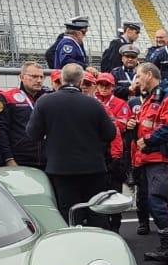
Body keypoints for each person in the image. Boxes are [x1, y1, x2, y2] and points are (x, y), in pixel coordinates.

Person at [25, 64, 116, 226]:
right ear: (81, 81)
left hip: (60, 169)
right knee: (96, 211)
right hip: (92, 168)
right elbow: (110, 134)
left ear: (61, 79)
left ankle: (72, 240)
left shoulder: (45, 102)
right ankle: (100, 240)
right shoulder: (93, 104)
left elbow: (33, 134)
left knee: (69, 213)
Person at [129, 62, 168, 265]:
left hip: (161, 158)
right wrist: (133, 126)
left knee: (156, 200)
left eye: (138, 76)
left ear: (149, 75)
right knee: (153, 201)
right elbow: (147, 126)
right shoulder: (151, 98)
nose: (136, 81)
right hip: (149, 158)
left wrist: (149, 140)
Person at [0, 62, 47, 168]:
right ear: (22, 77)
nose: (39, 80)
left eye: (41, 77)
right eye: (34, 76)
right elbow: (1, 130)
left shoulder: (47, 98)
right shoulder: (7, 98)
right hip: (21, 159)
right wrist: (8, 158)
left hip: (46, 159)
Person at [96, 72, 131, 230]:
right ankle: (102, 227)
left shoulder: (121, 103)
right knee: (98, 193)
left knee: (115, 192)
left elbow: (122, 125)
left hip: (115, 155)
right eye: (101, 84)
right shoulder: (92, 101)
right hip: (98, 154)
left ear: (113, 87)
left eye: (107, 85)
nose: (104, 87)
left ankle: (116, 227)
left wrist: (107, 121)